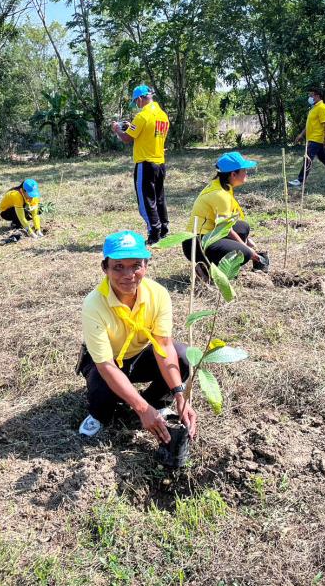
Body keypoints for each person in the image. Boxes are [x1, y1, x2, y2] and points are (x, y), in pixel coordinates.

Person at [77, 230, 197, 442]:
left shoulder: (158, 294)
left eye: (136, 265)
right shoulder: (94, 304)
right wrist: (141, 409)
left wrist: (180, 394)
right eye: (118, 267)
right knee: (102, 395)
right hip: (106, 362)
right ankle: (100, 415)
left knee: (184, 357)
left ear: (146, 266)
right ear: (105, 268)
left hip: (141, 355)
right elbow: (105, 365)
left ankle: (157, 403)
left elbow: (163, 346)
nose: (128, 274)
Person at [181, 152, 264, 279]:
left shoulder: (222, 185)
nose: (246, 173)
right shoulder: (220, 194)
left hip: (205, 237)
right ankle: (205, 267)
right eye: (244, 170)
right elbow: (227, 229)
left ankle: (209, 265)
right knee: (245, 253)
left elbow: (229, 223)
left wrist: (247, 239)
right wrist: (247, 247)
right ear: (233, 174)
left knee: (242, 227)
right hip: (196, 244)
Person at [111, 85, 171, 245]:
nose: (136, 105)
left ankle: (154, 231)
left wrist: (117, 129)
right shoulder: (163, 115)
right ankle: (164, 228)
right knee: (159, 197)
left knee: (146, 200)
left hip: (145, 164)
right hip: (160, 162)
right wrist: (130, 126)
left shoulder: (143, 116)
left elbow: (127, 138)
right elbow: (147, 134)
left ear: (139, 99)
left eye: (135, 102)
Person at [289, 87, 325, 189]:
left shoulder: (322, 107)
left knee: (307, 159)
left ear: (317, 96)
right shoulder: (314, 108)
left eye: (311, 95)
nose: (309, 97)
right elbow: (309, 125)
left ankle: (300, 180)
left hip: (316, 138)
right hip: (312, 138)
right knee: (324, 157)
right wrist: (301, 135)